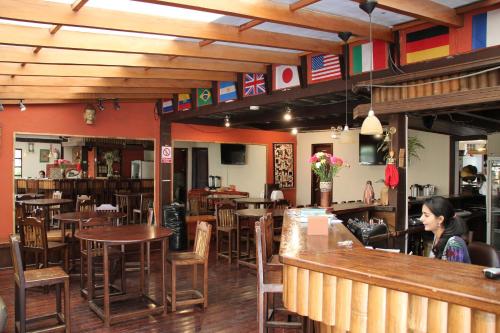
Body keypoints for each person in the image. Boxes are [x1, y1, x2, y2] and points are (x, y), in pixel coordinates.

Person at [420, 196, 470, 263]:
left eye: (426, 215)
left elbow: (452, 272)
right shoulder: (437, 236)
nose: (421, 219)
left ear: (440, 219)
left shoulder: (454, 243)